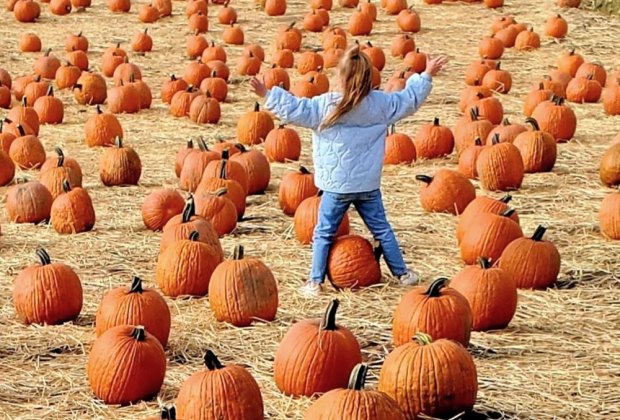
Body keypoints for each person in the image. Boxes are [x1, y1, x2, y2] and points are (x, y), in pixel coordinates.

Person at [250, 47, 448, 297]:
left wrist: (267, 94)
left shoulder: (325, 106)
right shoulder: (381, 104)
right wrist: (426, 74)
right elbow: (408, 100)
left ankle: (314, 282)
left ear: (340, 77)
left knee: (324, 232)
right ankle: (402, 273)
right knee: (382, 229)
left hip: (336, 185)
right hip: (367, 184)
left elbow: (295, 109)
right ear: (368, 78)